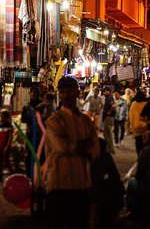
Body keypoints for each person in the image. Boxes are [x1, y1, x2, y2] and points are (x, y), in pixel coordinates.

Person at [45, 76, 100, 229]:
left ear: (77, 92)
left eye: (69, 91)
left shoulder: (85, 120)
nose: (65, 95)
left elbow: (95, 150)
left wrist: (76, 147)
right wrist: (84, 146)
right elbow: (62, 147)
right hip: (59, 184)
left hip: (81, 184)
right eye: (62, 92)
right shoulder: (54, 120)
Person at [90, 137, 125, 229]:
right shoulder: (104, 157)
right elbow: (115, 175)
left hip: (98, 192)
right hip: (104, 192)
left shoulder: (92, 158)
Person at [21, 86, 43, 178]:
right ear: (29, 94)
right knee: (30, 154)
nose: (33, 94)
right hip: (30, 133)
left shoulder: (42, 105)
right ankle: (29, 174)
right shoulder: (26, 106)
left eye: (35, 92)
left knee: (40, 154)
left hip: (41, 134)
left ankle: (40, 174)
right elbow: (23, 119)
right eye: (32, 92)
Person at [0, 109, 14, 182]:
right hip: (0, 144)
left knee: (6, 160)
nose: (1, 118)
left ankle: (12, 174)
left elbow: (10, 137)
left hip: (6, 145)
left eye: (2, 116)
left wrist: (7, 146)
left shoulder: (9, 126)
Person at [128, 90, 150, 154]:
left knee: (138, 144)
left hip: (136, 128)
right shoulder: (146, 104)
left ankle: (140, 158)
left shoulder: (134, 104)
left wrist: (130, 125)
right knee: (146, 145)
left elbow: (131, 116)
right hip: (145, 128)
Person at [101, 87, 117, 154]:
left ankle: (111, 149)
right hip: (107, 118)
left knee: (108, 134)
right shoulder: (108, 97)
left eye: (104, 91)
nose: (103, 93)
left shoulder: (110, 97)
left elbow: (113, 106)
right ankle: (109, 148)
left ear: (108, 91)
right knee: (106, 134)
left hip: (108, 118)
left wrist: (109, 112)